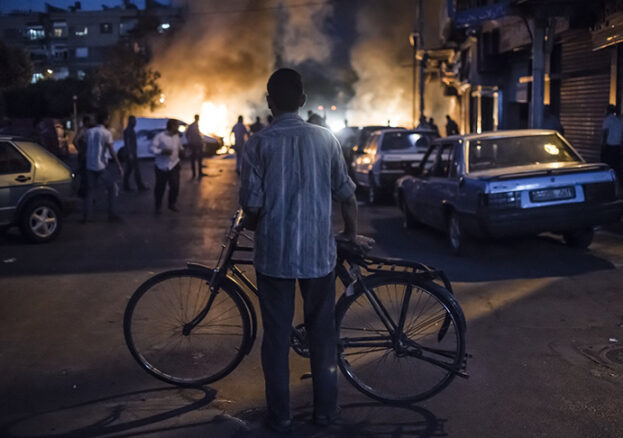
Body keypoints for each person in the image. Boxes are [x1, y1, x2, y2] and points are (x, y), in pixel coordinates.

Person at [239, 68, 373, 433]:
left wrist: (252, 223)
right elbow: (347, 196)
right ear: (302, 100)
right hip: (318, 256)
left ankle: (280, 415)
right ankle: (325, 412)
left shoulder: (258, 144)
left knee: (277, 338)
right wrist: (349, 233)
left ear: (269, 102)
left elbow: (251, 204)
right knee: (322, 335)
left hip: (274, 256)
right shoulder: (325, 139)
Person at [82, 110, 123, 223]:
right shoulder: (106, 133)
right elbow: (111, 150)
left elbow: (84, 147)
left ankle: (87, 217)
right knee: (112, 188)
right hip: (101, 166)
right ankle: (112, 213)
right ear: (105, 120)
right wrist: (119, 165)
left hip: (89, 165)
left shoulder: (89, 132)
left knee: (90, 191)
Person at [151, 119, 183, 214]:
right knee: (160, 187)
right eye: (176, 126)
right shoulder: (160, 137)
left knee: (175, 186)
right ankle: (158, 206)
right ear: (171, 126)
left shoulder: (176, 136)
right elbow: (152, 148)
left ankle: (171, 204)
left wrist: (182, 151)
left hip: (174, 165)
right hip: (161, 166)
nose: (178, 128)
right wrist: (161, 151)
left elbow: (179, 147)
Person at [123, 115, 149, 191]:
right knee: (135, 170)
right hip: (131, 154)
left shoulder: (130, 130)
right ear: (130, 121)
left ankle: (127, 187)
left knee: (129, 170)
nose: (135, 122)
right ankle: (139, 186)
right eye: (133, 121)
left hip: (130, 153)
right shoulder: (128, 130)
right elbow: (127, 142)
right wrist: (130, 153)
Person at [601, 104, 623, 182]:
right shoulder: (619, 120)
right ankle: (619, 185)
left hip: (609, 147)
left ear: (608, 111)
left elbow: (605, 133)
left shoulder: (607, 120)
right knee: (617, 167)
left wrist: (603, 145)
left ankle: (608, 183)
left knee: (606, 167)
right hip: (617, 147)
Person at [73, 115, 92, 198]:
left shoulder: (87, 130)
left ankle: (82, 191)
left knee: (84, 173)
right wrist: (79, 149)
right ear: (86, 122)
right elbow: (75, 141)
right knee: (84, 173)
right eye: (89, 121)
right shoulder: (83, 130)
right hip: (83, 154)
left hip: (86, 154)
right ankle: (82, 192)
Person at [187, 114, 206, 179]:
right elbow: (197, 135)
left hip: (193, 144)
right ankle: (198, 174)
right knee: (198, 159)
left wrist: (190, 141)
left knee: (194, 159)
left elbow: (187, 134)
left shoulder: (191, 126)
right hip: (196, 145)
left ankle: (195, 174)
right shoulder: (194, 126)